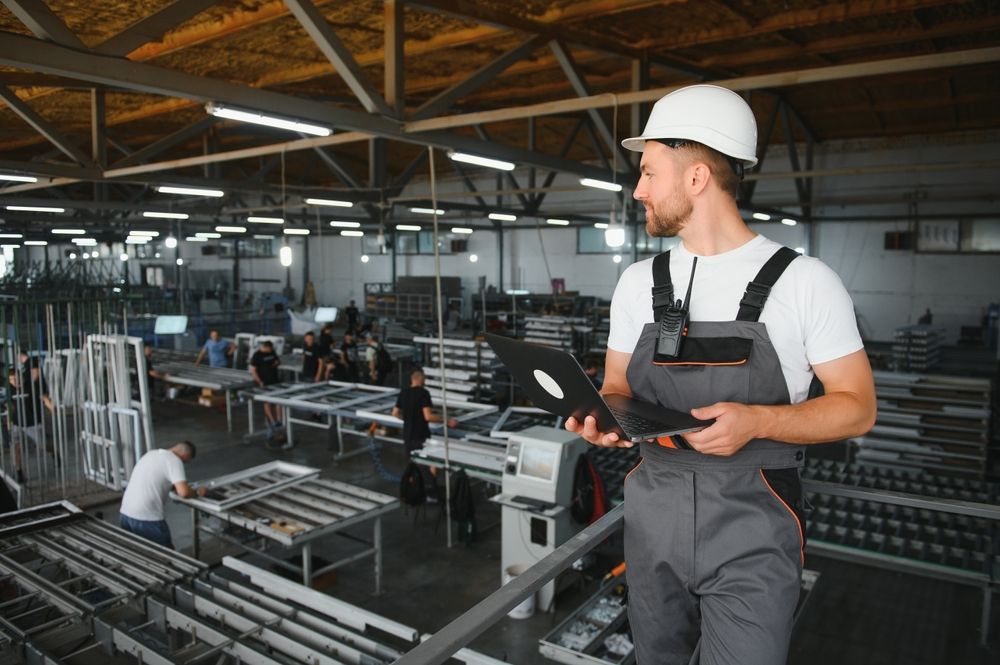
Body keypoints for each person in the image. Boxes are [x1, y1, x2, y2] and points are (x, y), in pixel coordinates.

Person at [565, 84, 877, 665]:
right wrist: (603, 418)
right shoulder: (638, 282)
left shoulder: (804, 282)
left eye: (649, 173)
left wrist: (758, 420)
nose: (638, 190)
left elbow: (858, 405)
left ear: (697, 177)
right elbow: (617, 388)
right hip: (652, 511)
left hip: (754, 519)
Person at [118, 441, 203, 548]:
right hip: (146, 518)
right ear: (186, 455)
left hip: (125, 513)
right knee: (166, 557)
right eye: (186, 461)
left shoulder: (151, 454)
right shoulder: (174, 460)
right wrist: (198, 492)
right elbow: (184, 493)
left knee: (135, 552)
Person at [391, 368, 457, 456]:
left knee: (411, 461)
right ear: (420, 379)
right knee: (428, 458)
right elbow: (428, 416)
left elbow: (395, 413)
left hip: (407, 434)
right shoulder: (423, 393)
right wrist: (447, 420)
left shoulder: (403, 393)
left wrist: (408, 419)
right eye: (424, 378)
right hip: (420, 434)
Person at [7, 367, 54, 484]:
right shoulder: (10, 389)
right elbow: (10, 406)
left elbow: (43, 397)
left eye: (15, 379)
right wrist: (9, 422)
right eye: (11, 380)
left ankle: (54, 453)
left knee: (43, 444)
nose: (14, 382)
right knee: (16, 447)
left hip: (31, 422)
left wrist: (52, 407)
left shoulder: (30, 386)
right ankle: (19, 472)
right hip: (17, 423)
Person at [249, 340, 284, 444]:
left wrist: (276, 363)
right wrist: (259, 381)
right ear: (266, 347)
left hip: (275, 380)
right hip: (264, 382)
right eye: (269, 349)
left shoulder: (272, 352)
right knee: (267, 402)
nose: (271, 351)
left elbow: (277, 361)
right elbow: (253, 370)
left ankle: (279, 421)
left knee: (278, 401)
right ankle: (272, 421)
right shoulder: (257, 355)